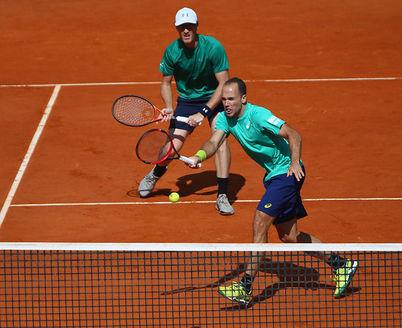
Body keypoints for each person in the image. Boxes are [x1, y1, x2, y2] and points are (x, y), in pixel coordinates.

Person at [186, 77, 358, 305]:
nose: (226, 103)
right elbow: (213, 142)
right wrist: (198, 156)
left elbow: (294, 134)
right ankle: (341, 265)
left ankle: (245, 286)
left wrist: (295, 162)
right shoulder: (225, 120)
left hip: (286, 174)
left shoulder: (258, 115)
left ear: (243, 99)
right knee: (290, 236)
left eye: (231, 99)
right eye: (224, 99)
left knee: (260, 221)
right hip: (273, 177)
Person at [138, 7, 234, 215]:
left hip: (214, 98)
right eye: (182, 27)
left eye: (189, 26)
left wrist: (205, 112)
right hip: (187, 101)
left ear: (196, 27)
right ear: (177, 29)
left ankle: (223, 195)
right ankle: (155, 174)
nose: (186, 30)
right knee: (172, 146)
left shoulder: (213, 48)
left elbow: (224, 84)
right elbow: (165, 83)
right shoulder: (172, 51)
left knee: (221, 141)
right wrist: (170, 106)